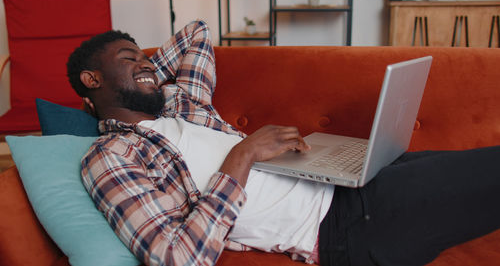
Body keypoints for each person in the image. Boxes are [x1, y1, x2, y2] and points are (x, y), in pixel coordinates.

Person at [67, 20, 500, 266]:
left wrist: (138, 71)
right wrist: (242, 155)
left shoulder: (182, 105)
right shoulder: (110, 157)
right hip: (346, 225)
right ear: (92, 80)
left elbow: (195, 33)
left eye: (147, 58)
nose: (146, 65)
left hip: (355, 180)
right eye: (130, 60)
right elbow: (177, 257)